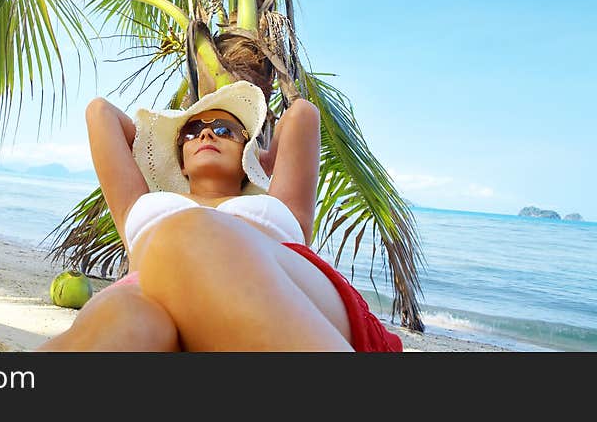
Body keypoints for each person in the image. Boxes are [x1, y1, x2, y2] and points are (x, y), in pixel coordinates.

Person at [37, 80, 402, 351]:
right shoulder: (138, 205)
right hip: (146, 298)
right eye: (193, 132)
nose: (206, 132)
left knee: (185, 236)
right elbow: (99, 112)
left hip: (282, 293)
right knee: (127, 317)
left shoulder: (281, 204)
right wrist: (163, 147)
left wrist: (261, 161)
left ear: (248, 151)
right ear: (180, 160)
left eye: (225, 130)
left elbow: (302, 115)